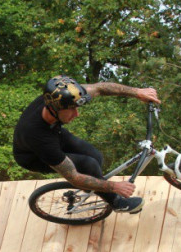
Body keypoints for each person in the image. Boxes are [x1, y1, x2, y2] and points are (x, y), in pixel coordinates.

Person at [12, 75, 161, 214]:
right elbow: (74, 177)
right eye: (71, 110)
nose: (76, 114)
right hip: (33, 156)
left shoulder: (59, 96)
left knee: (95, 156)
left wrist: (137, 92)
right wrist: (114, 187)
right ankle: (116, 203)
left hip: (53, 131)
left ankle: (93, 185)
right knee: (87, 165)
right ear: (55, 109)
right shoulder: (38, 137)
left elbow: (100, 88)